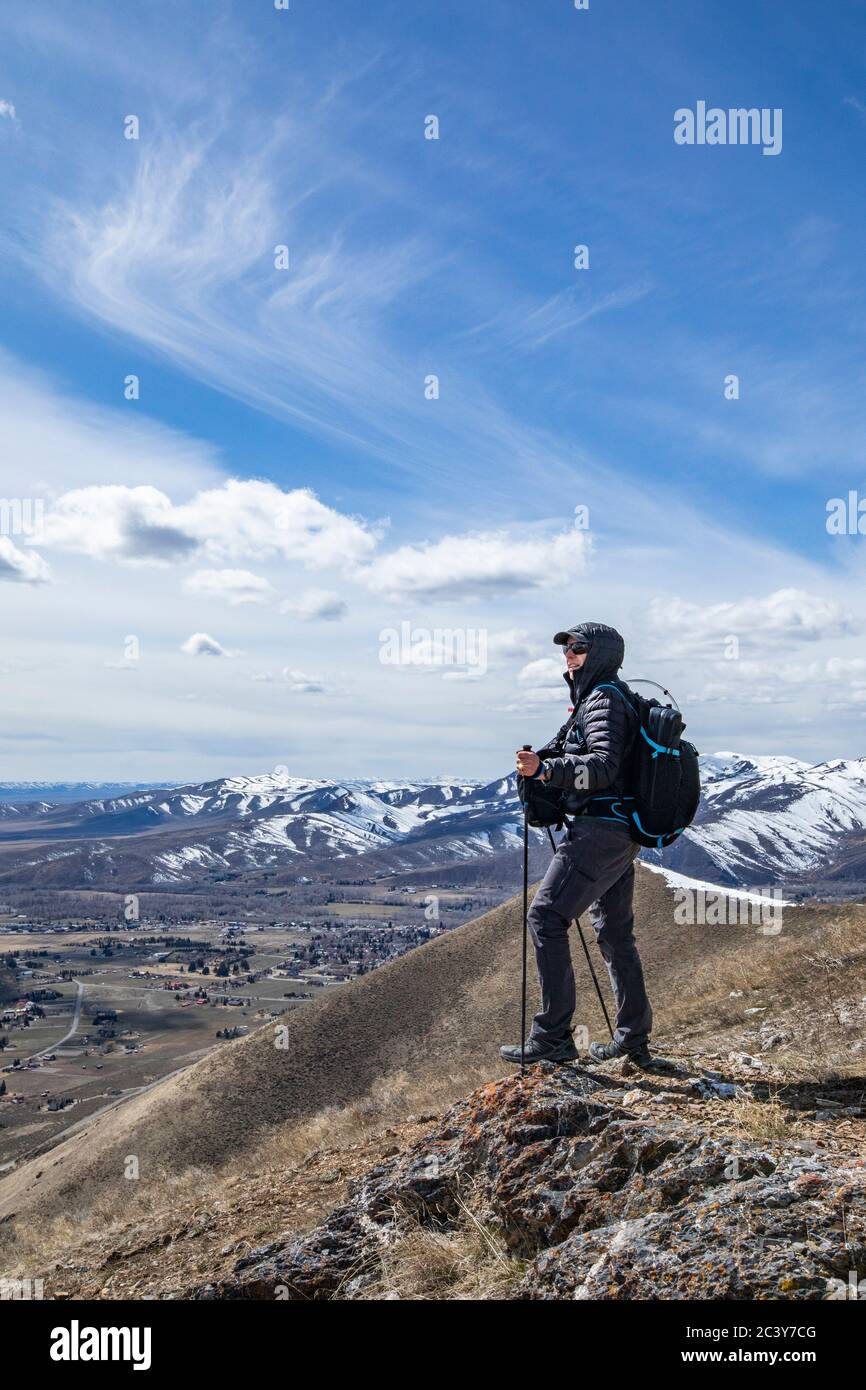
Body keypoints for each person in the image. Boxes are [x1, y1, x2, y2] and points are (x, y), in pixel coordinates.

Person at [500, 621, 654, 1068]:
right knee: (613, 931)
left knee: (546, 916)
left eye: (579, 648)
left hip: (599, 831)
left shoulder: (603, 698)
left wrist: (545, 772)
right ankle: (632, 1038)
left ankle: (552, 1037)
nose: (568, 654)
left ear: (601, 653)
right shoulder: (597, 697)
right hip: (619, 831)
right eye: (566, 648)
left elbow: (603, 766)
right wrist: (545, 762)